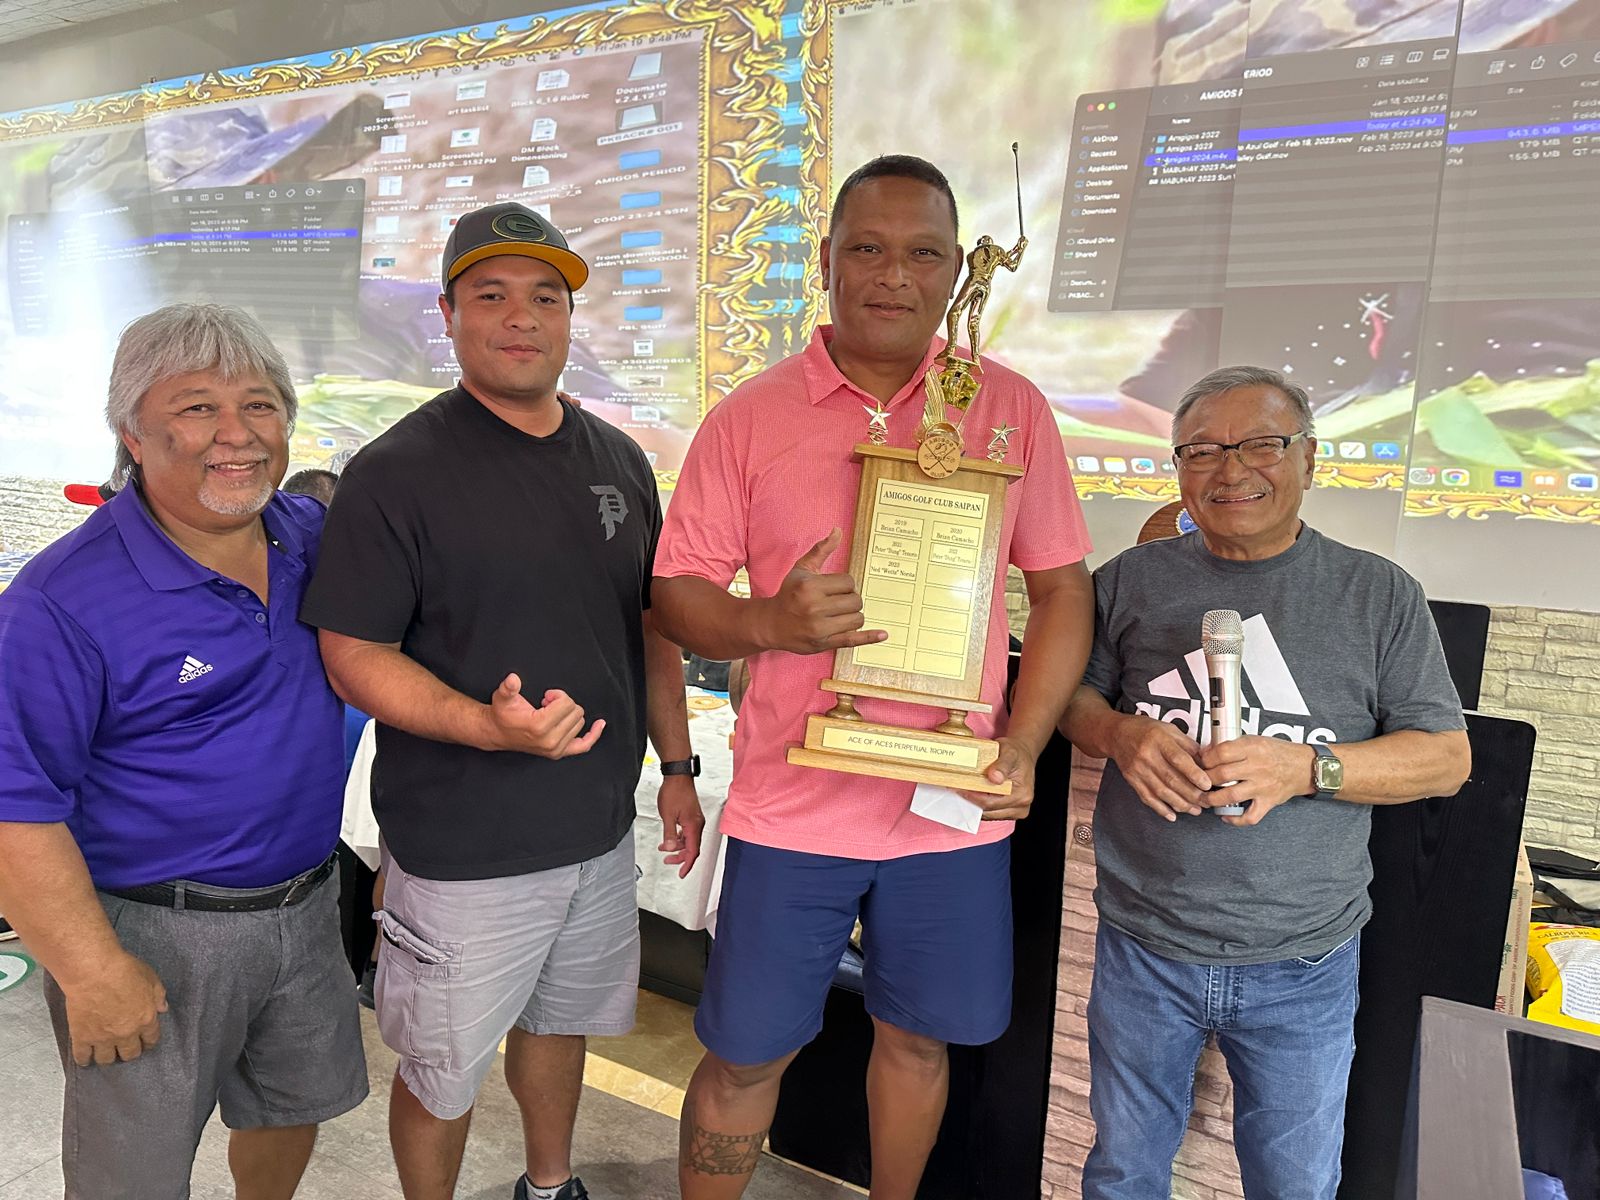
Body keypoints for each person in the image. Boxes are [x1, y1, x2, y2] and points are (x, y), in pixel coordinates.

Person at [652, 155, 1095, 1200]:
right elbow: (676, 595)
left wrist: (1021, 746)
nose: (893, 274)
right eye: (866, 248)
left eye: (923, 253)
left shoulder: (1008, 408)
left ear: (957, 274)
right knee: (745, 1055)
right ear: (825, 263)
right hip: (790, 805)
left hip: (946, 807)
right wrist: (768, 621)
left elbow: (1064, 593)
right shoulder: (750, 416)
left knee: (919, 1045)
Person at [300, 201, 703, 1200]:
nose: (521, 317)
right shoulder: (395, 474)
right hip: (462, 849)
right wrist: (484, 725)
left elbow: (651, 627)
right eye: (491, 295)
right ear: (447, 313)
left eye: (544, 297)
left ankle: (550, 1183)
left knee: (561, 1025)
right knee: (442, 1070)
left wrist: (679, 769)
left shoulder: (618, 462)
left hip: (599, 835)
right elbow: (352, 654)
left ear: (569, 318)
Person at [1059, 364, 1472, 1199]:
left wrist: (1310, 767)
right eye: (1202, 451)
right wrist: (1119, 734)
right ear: (1178, 469)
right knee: (1121, 1170)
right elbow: (1071, 698)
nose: (1231, 470)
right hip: (1144, 943)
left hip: (1305, 959)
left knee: (1293, 1183)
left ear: (1309, 460)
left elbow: (1446, 757)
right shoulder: (1130, 580)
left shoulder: (1378, 593)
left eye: (1260, 445)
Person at [0, 303, 367, 1200]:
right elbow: (15, 805)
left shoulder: (313, 539)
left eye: (261, 405)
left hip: (308, 901)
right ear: (132, 430)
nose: (236, 436)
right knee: (134, 1168)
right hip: (154, 927)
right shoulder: (59, 604)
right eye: (197, 407)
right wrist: (89, 969)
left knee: (289, 1110)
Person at [942, 233, 1027, 363]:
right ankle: (975, 357)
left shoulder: (971, 255)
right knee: (974, 321)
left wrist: (1018, 248)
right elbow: (1012, 265)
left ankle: (951, 348)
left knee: (954, 313)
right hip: (985, 286)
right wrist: (1021, 249)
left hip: (973, 281)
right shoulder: (997, 250)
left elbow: (997, 259)